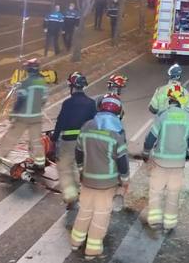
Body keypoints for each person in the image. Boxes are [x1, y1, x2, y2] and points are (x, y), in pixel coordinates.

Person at [70, 95, 129, 261]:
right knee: (101, 216)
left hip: (88, 180)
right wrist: (125, 180)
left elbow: (78, 152)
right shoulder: (117, 135)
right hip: (107, 184)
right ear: (118, 112)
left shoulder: (87, 126)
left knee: (84, 211)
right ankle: (92, 250)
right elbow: (122, 162)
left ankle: (76, 241)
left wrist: (81, 170)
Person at [141, 85, 189, 234]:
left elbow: (150, 138)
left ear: (171, 100)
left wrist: (146, 153)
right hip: (178, 164)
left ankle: (154, 221)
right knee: (174, 193)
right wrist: (187, 154)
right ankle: (170, 224)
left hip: (160, 162)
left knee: (156, 191)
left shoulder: (163, 116)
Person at [0, 58, 48, 171]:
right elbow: (44, 100)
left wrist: (14, 113)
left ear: (28, 70)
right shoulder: (42, 83)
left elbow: (20, 100)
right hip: (36, 117)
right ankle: (40, 163)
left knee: (11, 137)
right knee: (36, 141)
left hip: (23, 117)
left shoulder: (25, 83)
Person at [52, 72, 97, 203]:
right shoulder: (91, 103)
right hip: (85, 142)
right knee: (81, 167)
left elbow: (60, 122)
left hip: (69, 142)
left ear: (72, 86)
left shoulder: (67, 103)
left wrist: (54, 138)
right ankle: (84, 192)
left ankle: (71, 195)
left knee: (65, 166)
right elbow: (95, 123)